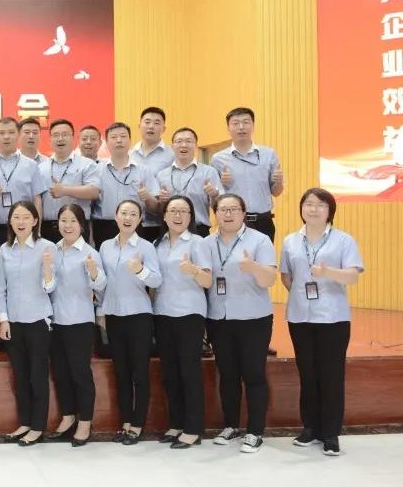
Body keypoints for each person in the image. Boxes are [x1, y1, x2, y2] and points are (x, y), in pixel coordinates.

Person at [280, 188, 364, 456]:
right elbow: (286, 276)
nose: (313, 209)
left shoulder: (343, 240)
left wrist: (328, 273)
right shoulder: (290, 241)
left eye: (320, 205)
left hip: (333, 317)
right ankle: (310, 428)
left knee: (331, 376)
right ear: (301, 208)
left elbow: (353, 276)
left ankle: (330, 434)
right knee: (307, 373)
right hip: (300, 317)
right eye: (308, 204)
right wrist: (301, 296)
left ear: (330, 211)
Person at [206, 193, 278, 454]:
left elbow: (270, 279)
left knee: (254, 374)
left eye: (234, 209)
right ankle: (231, 426)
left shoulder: (259, 240)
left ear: (243, 213)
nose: (228, 214)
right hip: (219, 317)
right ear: (215, 213)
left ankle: (255, 431)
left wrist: (253, 267)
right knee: (227, 375)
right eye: (223, 209)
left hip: (253, 318)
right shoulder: (206, 243)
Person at [0, 117, 48, 350]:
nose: (6, 136)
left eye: (10, 132)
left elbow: (37, 199)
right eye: (2, 132)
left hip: (22, 232)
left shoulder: (30, 165)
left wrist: (37, 231)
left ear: (18, 135)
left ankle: (18, 330)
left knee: (19, 281)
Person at [99, 199, 162, 445]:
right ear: (116, 216)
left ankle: (137, 424)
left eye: (133, 214)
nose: (128, 218)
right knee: (121, 372)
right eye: (124, 213)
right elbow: (102, 283)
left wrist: (139, 270)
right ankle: (125, 421)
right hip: (114, 315)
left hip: (138, 315)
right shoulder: (105, 246)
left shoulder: (146, 247)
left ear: (140, 219)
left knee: (139, 372)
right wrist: (100, 310)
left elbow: (156, 280)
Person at [0, 200, 56, 446]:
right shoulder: (4, 250)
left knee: (37, 376)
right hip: (14, 323)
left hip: (38, 320)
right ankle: (25, 422)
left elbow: (51, 288)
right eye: (16, 217)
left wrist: (48, 271)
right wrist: (3, 320)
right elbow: (0, 288)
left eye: (26, 217)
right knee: (20, 376)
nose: (20, 222)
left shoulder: (47, 247)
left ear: (35, 221)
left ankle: (37, 427)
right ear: (10, 221)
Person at [153, 196, 212, 449]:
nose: (178, 216)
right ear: (165, 215)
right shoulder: (157, 244)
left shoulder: (198, 243)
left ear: (191, 216)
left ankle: (193, 428)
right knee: (170, 373)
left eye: (184, 211)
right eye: (173, 211)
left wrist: (194, 270)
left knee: (189, 372)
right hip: (162, 313)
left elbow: (208, 281)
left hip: (189, 313)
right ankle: (176, 424)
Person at [46, 203, 104, 447]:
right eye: (63, 220)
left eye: (73, 221)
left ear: (81, 225)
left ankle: (85, 421)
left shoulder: (89, 253)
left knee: (80, 374)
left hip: (80, 321)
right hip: (56, 321)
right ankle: (68, 416)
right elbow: (48, 286)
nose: (67, 225)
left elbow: (101, 287)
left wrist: (93, 272)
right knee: (61, 372)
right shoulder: (52, 250)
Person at [210, 108, 284, 241]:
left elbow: (276, 192)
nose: (241, 127)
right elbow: (214, 201)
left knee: (264, 255)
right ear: (228, 128)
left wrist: (278, 182)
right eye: (235, 123)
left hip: (263, 221)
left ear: (253, 125)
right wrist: (223, 185)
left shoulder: (268, 154)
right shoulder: (218, 159)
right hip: (233, 221)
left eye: (246, 122)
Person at [90, 123, 161, 248]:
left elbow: (156, 208)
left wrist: (148, 197)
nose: (119, 140)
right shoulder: (96, 169)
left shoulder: (144, 170)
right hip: (103, 227)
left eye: (123, 136)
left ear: (130, 140)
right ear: (106, 142)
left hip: (135, 226)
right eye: (114, 137)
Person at [40, 119, 101, 244]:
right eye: (56, 135)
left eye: (65, 134)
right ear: (50, 140)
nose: (60, 139)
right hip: (47, 227)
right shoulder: (41, 167)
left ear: (73, 138)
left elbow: (94, 191)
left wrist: (64, 190)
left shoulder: (87, 164)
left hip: (77, 225)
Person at [156, 128, 220, 237]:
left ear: (196, 145)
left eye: (188, 141)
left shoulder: (209, 172)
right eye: (179, 141)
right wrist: (161, 202)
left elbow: (218, 207)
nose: (184, 145)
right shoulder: (162, 175)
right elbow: (158, 210)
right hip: (170, 230)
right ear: (172, 147)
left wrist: (214, 195)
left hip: (199, 230)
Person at [131, 107, 175, 241]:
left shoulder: (172, 154)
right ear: (139, 126)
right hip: (133, 221)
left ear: (163, 128)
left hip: (161, 221)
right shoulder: (130, 154)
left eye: (156, 123)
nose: (151, 126)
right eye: (147, 122)